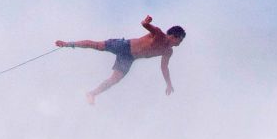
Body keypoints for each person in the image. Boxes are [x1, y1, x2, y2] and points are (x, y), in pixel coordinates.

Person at [56, 16, 186, 104]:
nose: (180, 42)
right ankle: (67, 43)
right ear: (174, 36)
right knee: (97, 45)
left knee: (114, 80)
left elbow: (164, 67)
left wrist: (168, 83)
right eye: (180, 39)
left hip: (129, 58)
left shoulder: (168, 51)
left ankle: (92, 94)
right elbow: (144, 24)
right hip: (124, 45)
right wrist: (147, 21)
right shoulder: (158, 34)